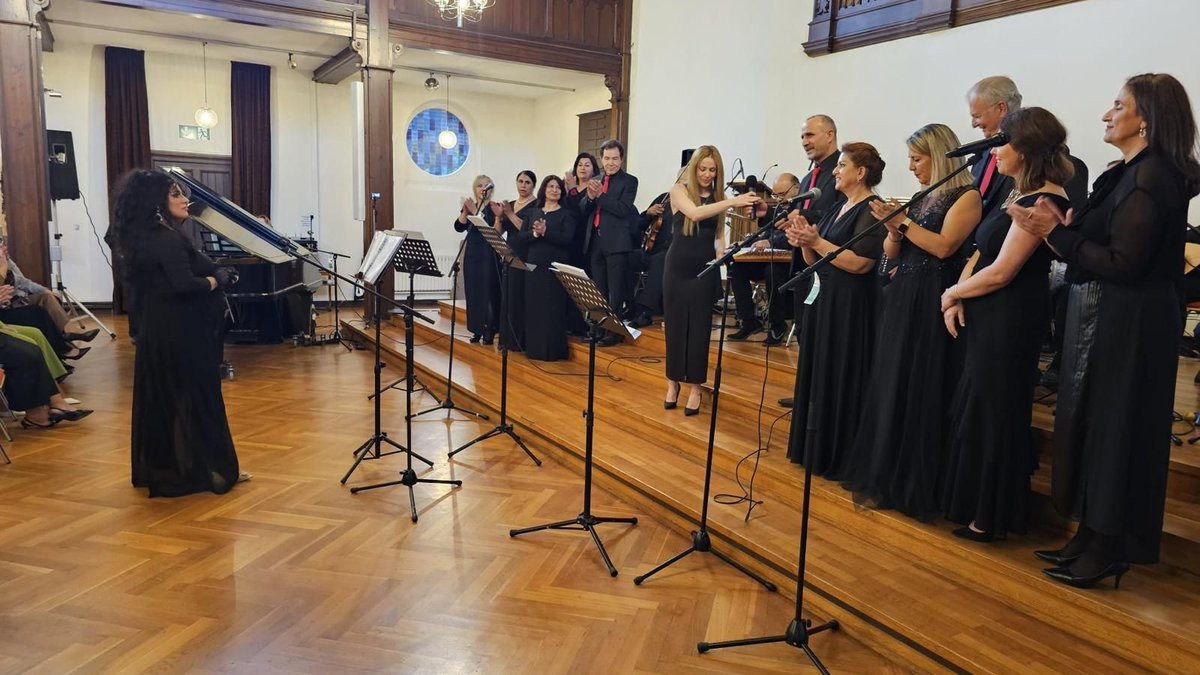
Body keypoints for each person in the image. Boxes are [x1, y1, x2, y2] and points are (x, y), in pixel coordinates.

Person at [1011, 74, 1200, 589]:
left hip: (1133, 321)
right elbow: (1093, 244)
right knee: (1093, 423)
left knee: (1118, 428)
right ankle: (1090, 534)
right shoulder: (1125, 173)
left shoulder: (1153, 176)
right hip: (1104, 314)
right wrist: (1059, 226)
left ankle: (1110, 545)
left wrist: (1057, 233)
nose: (1106, 114)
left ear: (1147, 119)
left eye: (1118, 106)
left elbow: (1124, 262)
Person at [939, 107, 1075, 542]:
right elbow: (981, 252)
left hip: (1011, 316)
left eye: (1003, 143)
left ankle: (991, 516)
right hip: (989, 312)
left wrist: (952, 294)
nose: (995, 151)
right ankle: (973, 505)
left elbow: (1003, 271)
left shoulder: (1045, 200)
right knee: (980, 405)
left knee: (995, 409)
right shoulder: (1019, 194)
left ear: (1026, 149)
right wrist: (958, 294)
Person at [834, 124, 982, 519]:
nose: (912, 167)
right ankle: (889, 473)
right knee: (894, 380)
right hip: (905, 294)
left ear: (939, 156)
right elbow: (893, 251)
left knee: (923, 384)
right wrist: (892, 231)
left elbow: (945, 247)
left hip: (935, 295)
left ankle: (919, 482)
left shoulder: (966, 196)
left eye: (917, 159)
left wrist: (902, 224)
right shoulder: (920, 197)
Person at [113, 169, 244, 497]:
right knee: (200, 400)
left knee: (169, 403)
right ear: (156, 202)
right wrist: (216, 280)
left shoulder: (145, 237)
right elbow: (184, 285)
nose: (185, 200)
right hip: (182, 333)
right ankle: (211, 470)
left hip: (160, 331)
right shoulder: (167, 239)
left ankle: (172, 469)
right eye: (176, 194)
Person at [783, 143, 885, 476]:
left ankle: (838, 454)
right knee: (818, 371)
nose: (836, 171)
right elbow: (816, 259)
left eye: (842, 165)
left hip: (850, 306)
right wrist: (804, 241)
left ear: (861, 172)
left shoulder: (871, 209)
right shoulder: (838, 207)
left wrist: (815, 242)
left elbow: (860, 263)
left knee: (840, 373)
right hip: (824, 299)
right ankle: (815, 449)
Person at [662, 145, 759, 415]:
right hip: (677, 268)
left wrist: (721, 254)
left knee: (700, 330)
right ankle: (672, 383)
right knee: (675, 328)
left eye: (712, 170)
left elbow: (717, 235)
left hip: (704, 270)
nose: (707, 174)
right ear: (694, 169)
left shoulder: (718, 199)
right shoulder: (679, 190)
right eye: (703, 169)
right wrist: (732, 202)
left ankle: (695, 387)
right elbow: (694, 214)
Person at [776, 115, 844, 407]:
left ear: (830, 134)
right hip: (804, 265)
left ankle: (822, 397)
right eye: (803, 136)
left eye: (811, 135)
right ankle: (806, 392)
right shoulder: (808, 178)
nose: (805, 142)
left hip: (830, 265)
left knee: (823, 333)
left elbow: (840, 213)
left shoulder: (842, 170)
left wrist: (802, 217)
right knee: (804, 329)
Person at [729, 173, 799, 344]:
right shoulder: (780, 207)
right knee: (737, 267)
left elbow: (795, 234)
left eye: (782, 194)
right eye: (776, 195)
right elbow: (768, 230)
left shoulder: (802, 206)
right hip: (771, 258)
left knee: (772, 270)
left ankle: (777, 325)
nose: (779, 199)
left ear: (797, 188)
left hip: (794, 261)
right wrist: (745, 244)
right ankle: (749, 321)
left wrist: (770, 242)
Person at [581, 140, 639, 347]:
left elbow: (623, 209)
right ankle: (598, 329)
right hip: (595, 241)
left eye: (615, 158)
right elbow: (583, 209)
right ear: (601, 159)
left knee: (616, 291)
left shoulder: (630, 181)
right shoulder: (596, 179)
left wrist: (600, 196)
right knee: (599, 290)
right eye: (607, 158)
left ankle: (613, 333)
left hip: (617, 243)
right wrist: (589, 197)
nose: (610, 163)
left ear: (621, 159)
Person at [515, 176, 576, 361]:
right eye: (550, 186)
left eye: (558, 187)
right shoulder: (533, 212)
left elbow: (567, 239)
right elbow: (521, 237)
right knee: (534, 307)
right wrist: (535, 233)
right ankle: (534, 349)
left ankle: (552, 352)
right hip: (534, 265)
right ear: (544, 189)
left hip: (555, 267)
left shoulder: (567, 214)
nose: (554, 190)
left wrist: (546, 232)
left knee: (553, 308)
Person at [0, 242, 98, 343]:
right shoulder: (2, 266)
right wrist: (3, 267)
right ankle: (65, 343)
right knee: (39, 311)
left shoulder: (6, 261)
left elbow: (24, 282)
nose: (4, 248)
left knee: (48, 297)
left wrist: (45, 290)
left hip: (18, 300)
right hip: (6, 306)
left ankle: (70, 331)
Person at [492, 170, 539, 352]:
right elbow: (498, 232)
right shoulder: (510, 204)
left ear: (533, 185)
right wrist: (498, 216)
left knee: (519, 297)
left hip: (525, 254)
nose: (523, 185)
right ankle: (507, 339)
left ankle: (519, 340)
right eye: (520, 181)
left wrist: (510, 214)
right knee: (508, 298)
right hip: (509, 254)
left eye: (527, 182)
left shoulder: (536, 205)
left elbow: (525, 230)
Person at [454, 175, 500, 345]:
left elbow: (492, 231)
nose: (482, 189)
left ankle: (489, 328)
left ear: (491, 190)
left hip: (488, 253)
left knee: (487, 292)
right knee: (473, 292)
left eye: (486, 186)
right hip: (472, 254)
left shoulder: (494, 208)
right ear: (475, 189)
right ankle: (476, 328)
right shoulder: (472, 205)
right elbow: (459, 227)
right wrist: (465, 212)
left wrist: (474, 211)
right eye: (479, 185)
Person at [563, 153, 601, 335]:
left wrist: (572, 189)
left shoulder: (593, 188)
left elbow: (581, 212)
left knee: (584, 285)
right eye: (580, 164)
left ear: (594, 169)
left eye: (587, 165)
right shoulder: (568, 189)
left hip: (585, 242)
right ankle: (569, 323)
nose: (583, 168)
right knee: (569, 284)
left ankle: (585, 326)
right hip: (567, 242)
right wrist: (569, 189)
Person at [626, 189, 673, 328]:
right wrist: (647, 213)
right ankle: (630, 305)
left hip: (672, 252)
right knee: (624, 257)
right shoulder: (664, 198)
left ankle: (646, 312)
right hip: (651, 249)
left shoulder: (690, 203)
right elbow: (638, 226)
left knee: (659, 260)